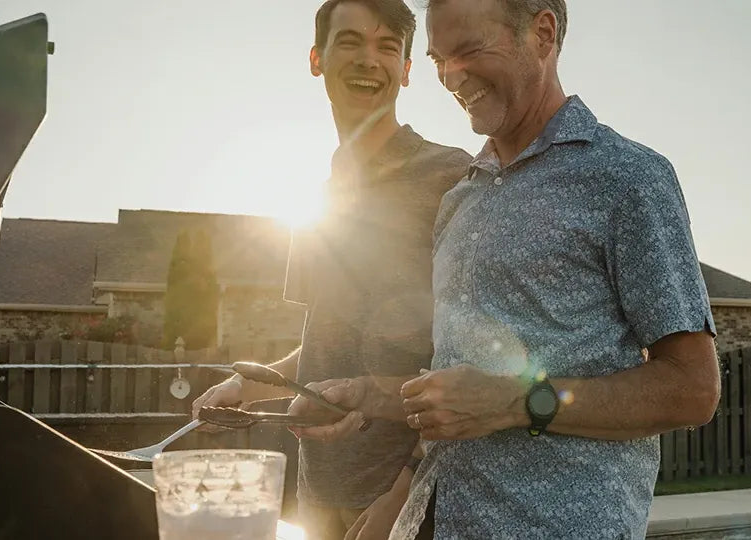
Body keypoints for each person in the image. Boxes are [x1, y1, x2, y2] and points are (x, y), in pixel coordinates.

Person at [291, 1, 723, 538]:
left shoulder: (627, 177)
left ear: (542, 34)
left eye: (469, 50)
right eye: (438, 58)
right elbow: (457, 386)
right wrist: (370, 395)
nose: (452, 76)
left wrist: (518, 402)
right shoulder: (461, 197)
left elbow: (693, 389)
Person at [190, 1, 472, 539]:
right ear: (317, 59)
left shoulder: (449, 175)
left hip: (410, 501)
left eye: (388, 46)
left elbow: (474, 351)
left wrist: (406, 493)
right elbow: (325, 345)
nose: (369, 60)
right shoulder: (319, 199)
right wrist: (248, 386)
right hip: (318, 495)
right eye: (350, 42)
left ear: (408, 69)